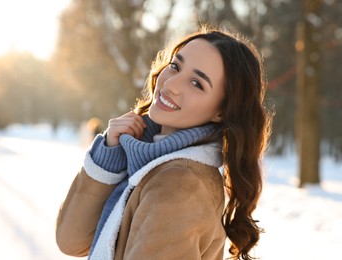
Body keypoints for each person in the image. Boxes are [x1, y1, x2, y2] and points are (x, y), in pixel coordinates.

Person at [56, 26, 271, 260]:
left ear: (221, 111)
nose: (170, 85)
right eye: (175, 66)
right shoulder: (146, 162)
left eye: (197, 83)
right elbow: (72, 241)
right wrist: (109, 158)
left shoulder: (180, 185)